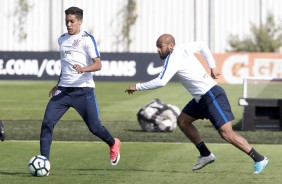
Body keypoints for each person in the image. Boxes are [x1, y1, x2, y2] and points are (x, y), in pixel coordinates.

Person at [125, 34, 268, 174]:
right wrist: (212, 66)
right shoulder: (182, 49)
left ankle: (259, 159)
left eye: (160, 46)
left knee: (226, 133)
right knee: (182, 121)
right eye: (157, 47)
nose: (158, 50)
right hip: (201, 98)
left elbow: (161, 81)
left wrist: (137, 86)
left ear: (170, 46)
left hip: (211, 95)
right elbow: (201, 45)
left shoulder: (173, 57)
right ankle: (205, 155)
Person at [40, 7, 120, 166]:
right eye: (66, 21)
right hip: (63, 91)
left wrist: (83, 69)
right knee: (47, 123)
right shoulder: (61, 39)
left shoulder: (87, 39)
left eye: (72, 21)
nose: (68, 25)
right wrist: (58, 84)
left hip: (83, 91)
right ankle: (45, 163)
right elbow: (64, 64)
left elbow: (98, 64)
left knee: (95, 128)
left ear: (80, 22)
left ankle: (113, 143)